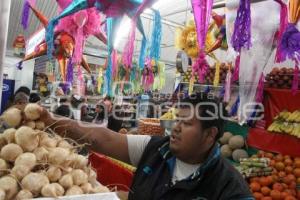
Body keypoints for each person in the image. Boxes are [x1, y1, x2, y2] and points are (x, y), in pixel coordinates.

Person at [40, 92, 253, 200]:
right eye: (177, 119)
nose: (176, 128)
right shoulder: (156, 148)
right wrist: (50, 120)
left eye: (186, 123)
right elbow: (102, 139)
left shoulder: (230, 188)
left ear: (209, 135)